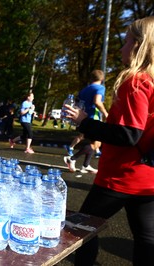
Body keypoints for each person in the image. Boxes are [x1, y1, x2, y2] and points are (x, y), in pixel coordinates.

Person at [65, 17, 154, 266]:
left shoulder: (135, 82)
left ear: (138, 46)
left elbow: (128, 134)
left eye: (126, 42)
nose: (121, 48)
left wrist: (84, 122)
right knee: (147, 241)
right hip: (148, 178)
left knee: (80, 231)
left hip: (121, 177)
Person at [64, 70, 108, 174]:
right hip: (93, 117)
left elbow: (77, 103)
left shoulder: (84, 89)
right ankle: (72, 159)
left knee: (92, 142)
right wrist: (105, 113)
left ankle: (85, 166)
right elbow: (97, 101)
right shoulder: (100, 88)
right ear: (102, 79)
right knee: (96, 144)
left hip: (82, 118)